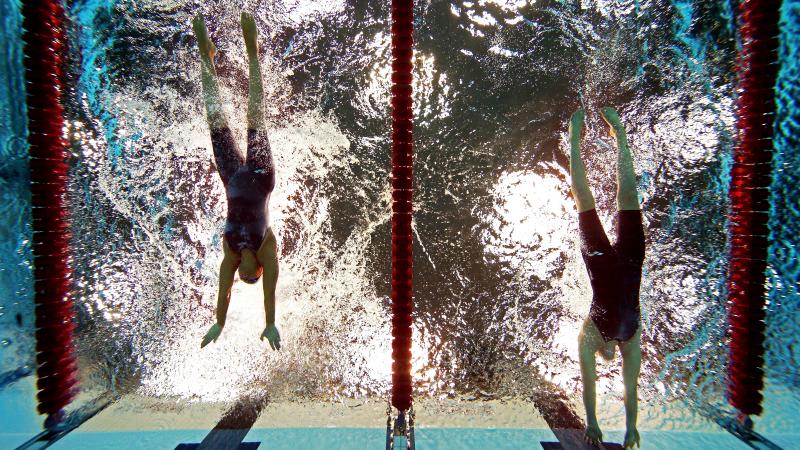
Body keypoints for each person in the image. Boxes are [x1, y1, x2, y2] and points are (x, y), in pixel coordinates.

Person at [193, 12, 281, 351]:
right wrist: (270, 324)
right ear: (257, 269)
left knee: (214, 119)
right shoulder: (266, 250)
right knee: (255, 114)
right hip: (260, 179)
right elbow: (269, 291)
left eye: (240, 277)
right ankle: (253, 54)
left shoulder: (230, 255)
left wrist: (219, 323)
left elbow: (223, 290)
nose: (243, 277)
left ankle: (207, 57)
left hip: (231, 179)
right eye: (250, 278)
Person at [569, 107, 643, 448]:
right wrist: (630, 428)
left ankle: (574, 137)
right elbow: (632, 386)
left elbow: (589, 384)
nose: (609, 361)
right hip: (630, 262)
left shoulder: (588, 337)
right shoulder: (632, 340)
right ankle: (621, 135)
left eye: (605, 360)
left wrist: (593, 422)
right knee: (628, 198)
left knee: (585, 201)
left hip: (598, 263)